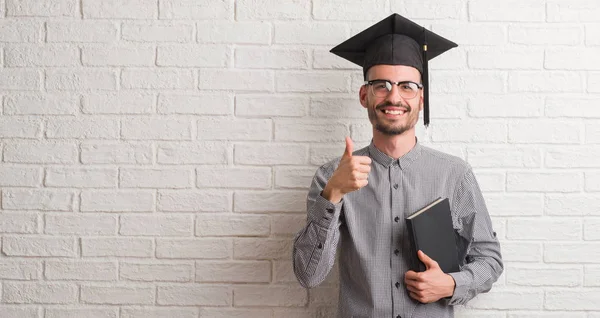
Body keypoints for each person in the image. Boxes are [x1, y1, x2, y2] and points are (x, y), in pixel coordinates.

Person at [292, 13, 503, 318]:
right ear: (365, 95)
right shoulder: (331, 177)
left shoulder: (454, 175)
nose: (393, 96)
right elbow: (307, 275)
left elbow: (490, 259)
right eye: (381, 85)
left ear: (421, 98)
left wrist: (451, 284)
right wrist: (333, 194)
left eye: (406, 86)